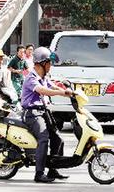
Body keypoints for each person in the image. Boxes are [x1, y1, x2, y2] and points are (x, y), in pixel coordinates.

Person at [21, 47, 74, 183]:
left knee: (58, 139)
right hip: (32, 114)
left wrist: (69, 91)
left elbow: (52, 86)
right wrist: (62, 93)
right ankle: (39, 173)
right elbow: (43, 90)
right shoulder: (31, 78)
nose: (50, 66)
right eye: (49, 63)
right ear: (41, 64)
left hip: (43, 112)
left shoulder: (44, 77)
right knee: (43, 138)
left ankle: (53, 170)